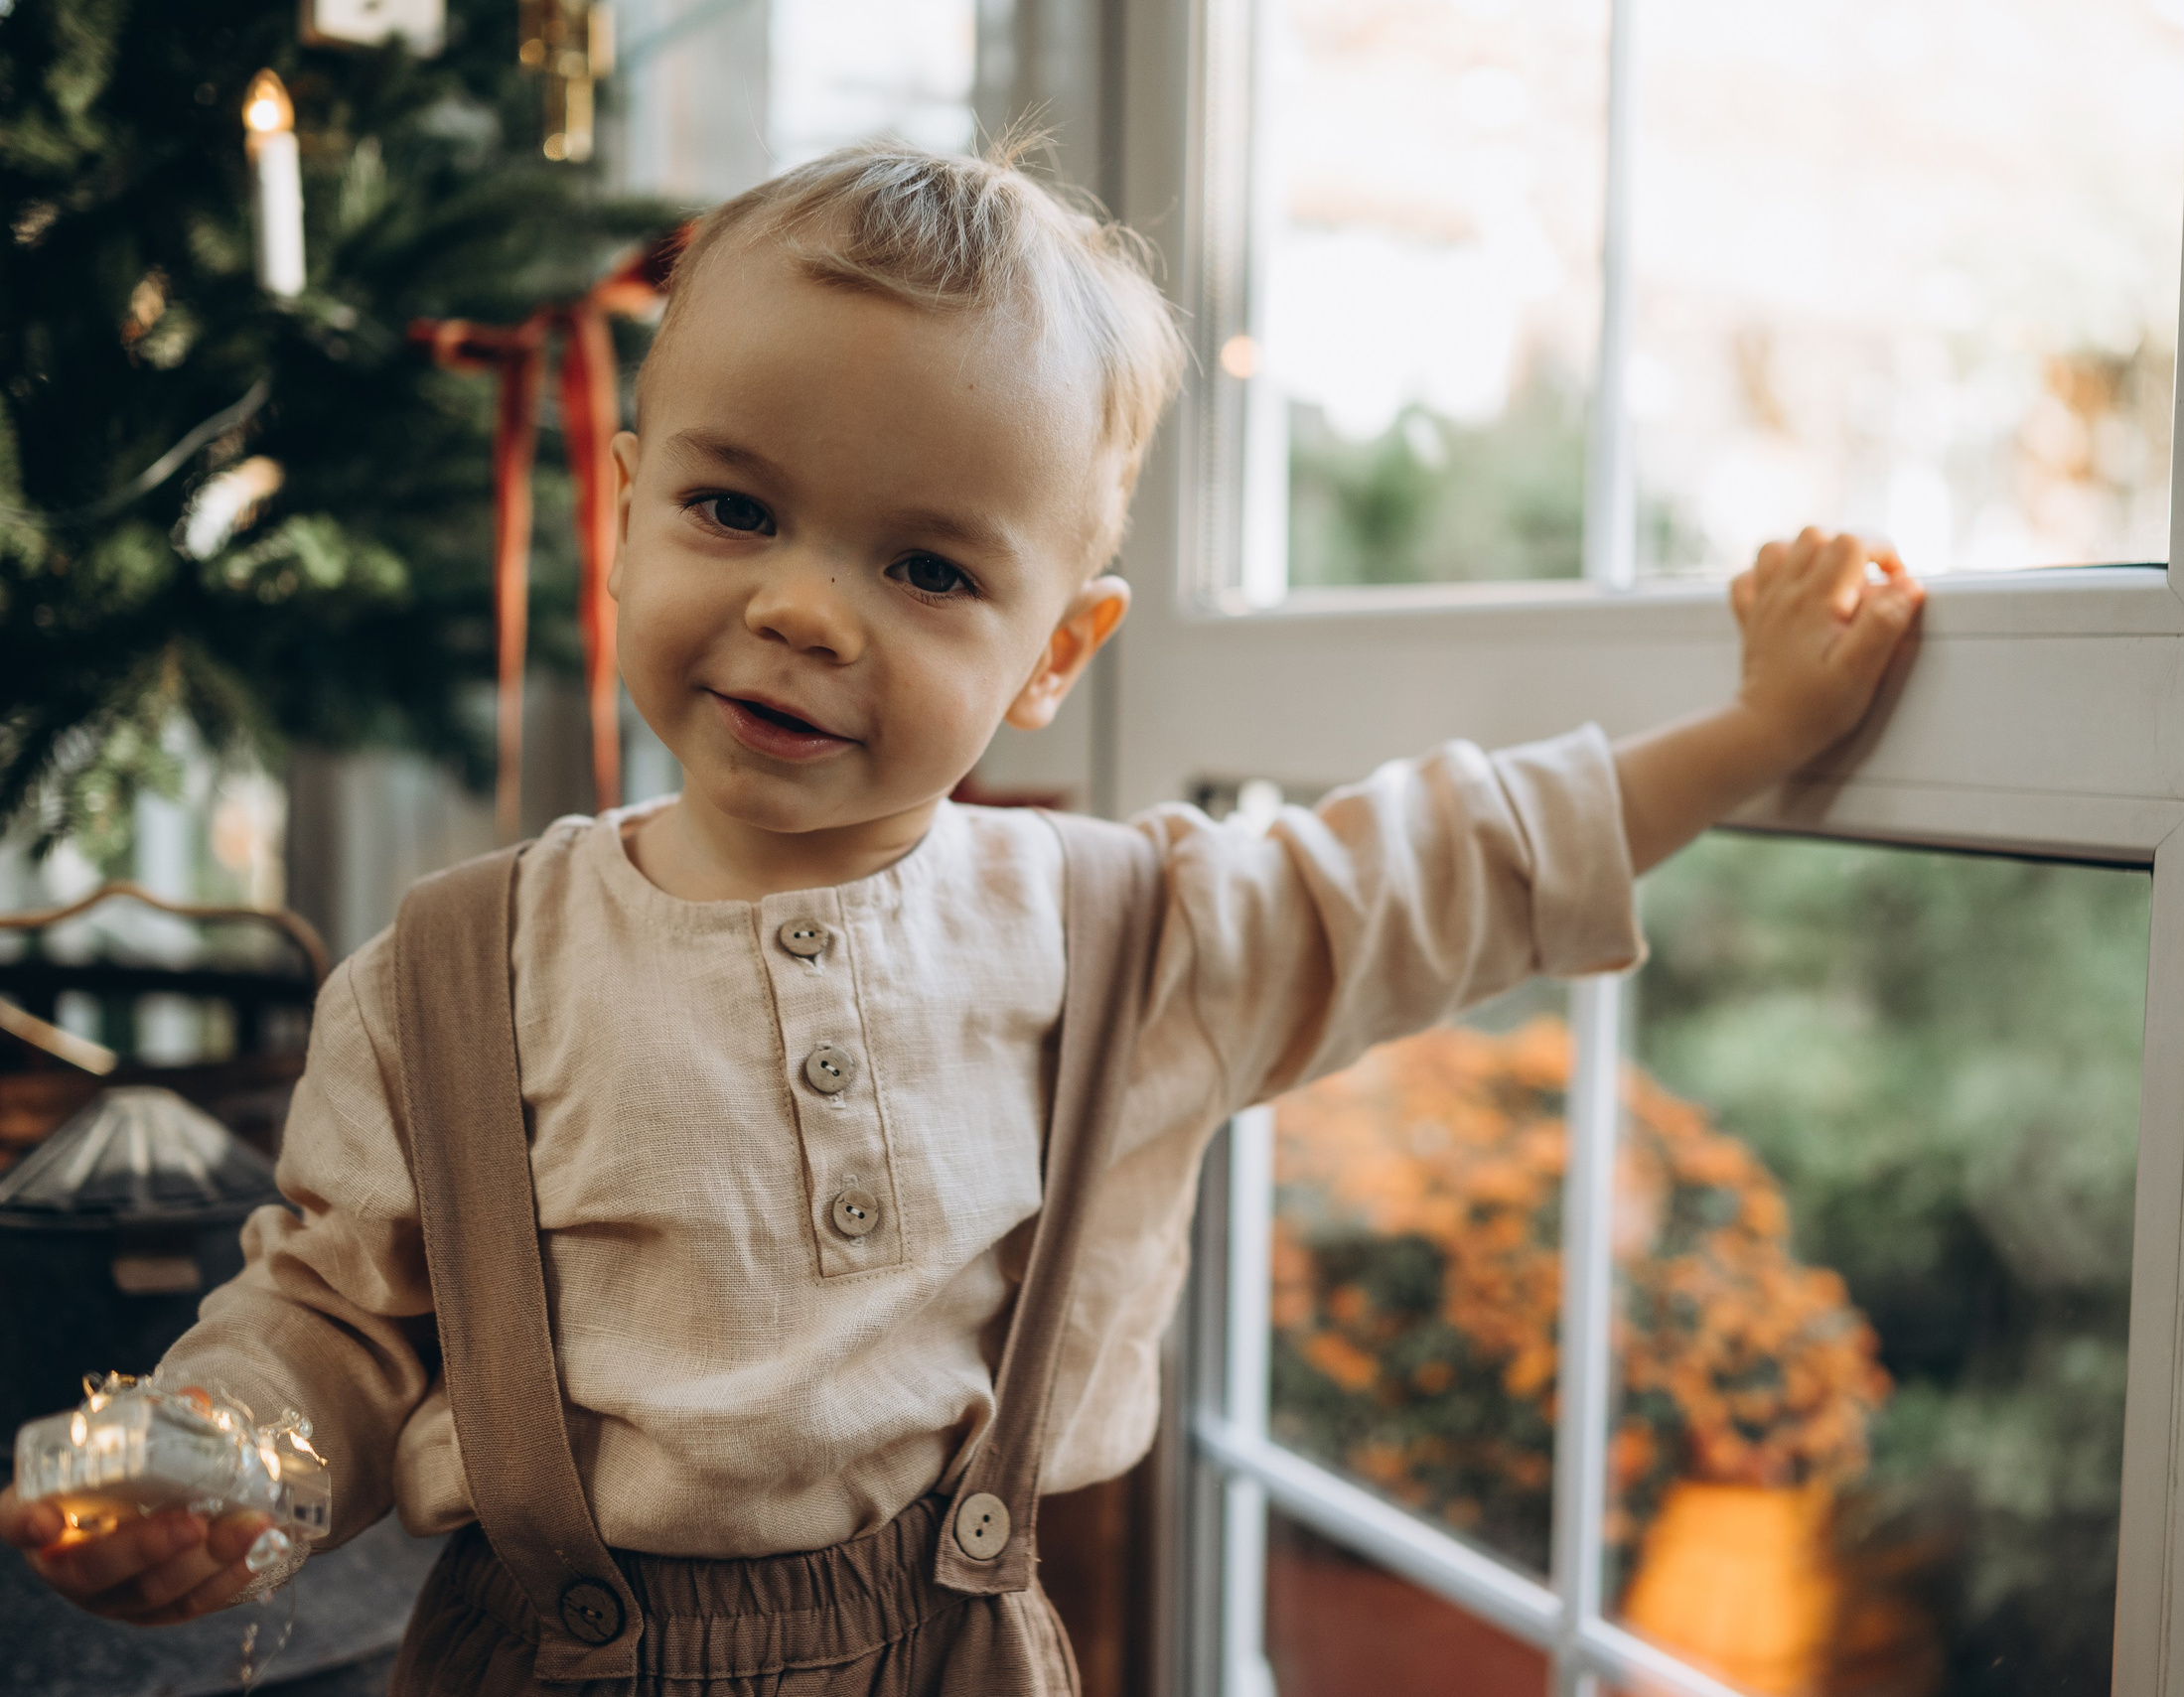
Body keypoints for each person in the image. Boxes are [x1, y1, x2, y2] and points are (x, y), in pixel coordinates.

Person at [2, 140, 1922, 1690]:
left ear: (1053, 653)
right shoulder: (445, 970)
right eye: (736, 512)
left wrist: (1754, 733)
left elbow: (1441, 869)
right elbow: (333, 1317)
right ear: (626, 502)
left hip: (958, 1656)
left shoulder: (1127, 934)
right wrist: (228, 1471)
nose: (809, 611)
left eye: (926, 566)